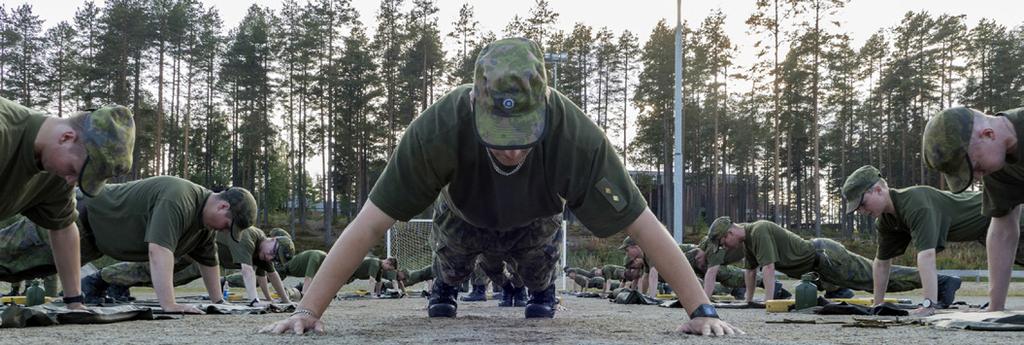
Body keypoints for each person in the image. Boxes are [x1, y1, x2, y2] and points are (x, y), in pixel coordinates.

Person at [261, 38, 740, 336]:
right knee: (449, 266)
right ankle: (446, 287)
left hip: (535, 221)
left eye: (522, 139)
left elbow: (644, 226)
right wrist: (308, 309)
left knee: (539, 290)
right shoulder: (436, 131)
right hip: (463, 218)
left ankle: (539, 291)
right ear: (473, 102)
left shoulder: (577, 137)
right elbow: (368, 225)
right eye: (500, 138)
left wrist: (700, 308)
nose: (511, 151)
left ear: (546, 104)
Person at [1, 176, 257, 313]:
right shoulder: (180, 197)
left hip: (92, 241)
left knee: (20, 269)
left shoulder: (203, 227)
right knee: (6, 250)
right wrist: (169, 303)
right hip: (78, 216)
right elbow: (158, 251)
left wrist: (218, 303)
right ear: (223, 205)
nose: (225, 230)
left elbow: (208, 262)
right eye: (228, 223)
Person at [0, 98, 135, 309]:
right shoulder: (5, 129)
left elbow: (63, 227)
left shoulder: (55, 176)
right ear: (66, 137)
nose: (72, 181)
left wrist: (74, 302)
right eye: (74, 169)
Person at [843, 165, 1020, 315]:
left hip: (1004, 212)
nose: (862, 211)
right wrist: (877, 305)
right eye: (857, 209)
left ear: (878, 190)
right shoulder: (886, 221)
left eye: (863, 203)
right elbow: (881, 264)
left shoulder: (916, 202)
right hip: (989, 229)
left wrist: (928, 305)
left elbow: (927, 255)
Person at [707, 216, 961, 305]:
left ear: (729, 233)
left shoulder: (758, 230)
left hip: (827, 257)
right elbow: (751, 272)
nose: (724, 248)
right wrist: (751, 301)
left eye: (722, 243)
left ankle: (944, 282)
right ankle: (940, 284)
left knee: (878, 279)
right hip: (821, 270)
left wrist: (771, 303)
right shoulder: (748, 239)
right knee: (871, 283)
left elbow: (769, 268)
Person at [922, 106, 1024, 311]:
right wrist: (996, 307)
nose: (977, 176)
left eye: (975, 166)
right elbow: (1002, 231)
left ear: (988, 134)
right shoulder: (999, 168)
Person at [96, 227, 295, 306]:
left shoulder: (262, 253)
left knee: (165, 280)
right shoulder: (250, 236)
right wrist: (254, 301)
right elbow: (247, 271)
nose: (270, 257)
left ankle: (117, 285)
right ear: (272, 238)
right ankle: (97, 279)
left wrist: (284, 302)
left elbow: (271, 276)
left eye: (274, 258)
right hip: (191, 249)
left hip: (200, 261)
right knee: (151, 271)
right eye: (273, 251)